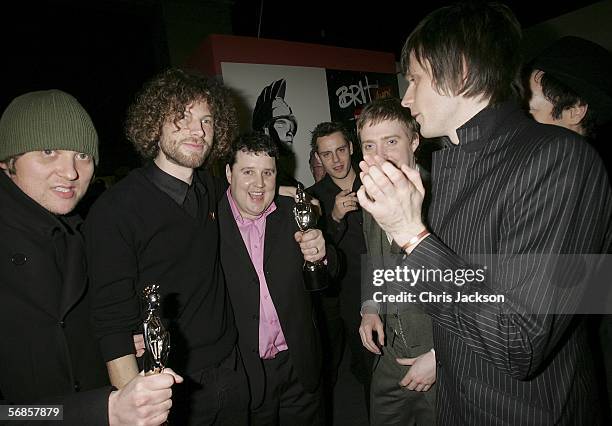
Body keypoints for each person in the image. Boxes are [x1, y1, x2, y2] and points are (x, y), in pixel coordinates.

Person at [357, 2, 612, 424]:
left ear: (459, 71)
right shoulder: (450, 164)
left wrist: (411, 235)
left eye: (416, 79)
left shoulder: (560, 158)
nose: (406, 97)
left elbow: (520, 342)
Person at [0, 89, 181, 426]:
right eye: (48, 151)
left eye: (82, 155)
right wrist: (102, 411)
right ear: (8, 160)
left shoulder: (79, 237)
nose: (70, 172)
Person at [84, 68, 249, 425]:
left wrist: (299, 198)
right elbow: (111, 325)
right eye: (182, 117)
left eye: (207, 121)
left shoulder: (208, 187)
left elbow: (249, 192)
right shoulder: (115, 210)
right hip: (170, 384)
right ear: (154, 124)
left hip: (232, 366)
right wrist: (137, 407)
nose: (198, 131)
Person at [219, 132, 331, 425]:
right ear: (229, 172)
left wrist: (323, 254)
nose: (259, 184)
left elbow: (335, 268)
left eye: (267, 173)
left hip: (299, 364)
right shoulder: (210, 223)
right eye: (248, 172)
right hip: (245, 374)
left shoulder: (294, 212)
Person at [356, 99, 435, 425]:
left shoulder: (445, 196)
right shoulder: (371, 195)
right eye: (369, 146)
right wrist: (371, 307)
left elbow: (479, 287)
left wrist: (438, 357)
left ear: (414, 141)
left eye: (392, 141)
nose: (380, 156)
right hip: (389, 358)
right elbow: (375, 261)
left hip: (438, 361)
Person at [307, 121, 372, 420]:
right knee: (364, 365)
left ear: (351, 148)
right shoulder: (314, 198)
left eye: (341, 150)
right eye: (327, 154)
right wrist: (333, 217)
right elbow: (315, 256)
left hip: (391, 280)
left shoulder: (376, 179)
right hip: (348, 293)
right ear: (318, 157)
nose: (336, 160)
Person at [252, 78, 298, 185]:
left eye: (291, 127)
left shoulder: (290, 182)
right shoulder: (257, 181)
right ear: (265, 129)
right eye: (281, 124)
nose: (289, 132)